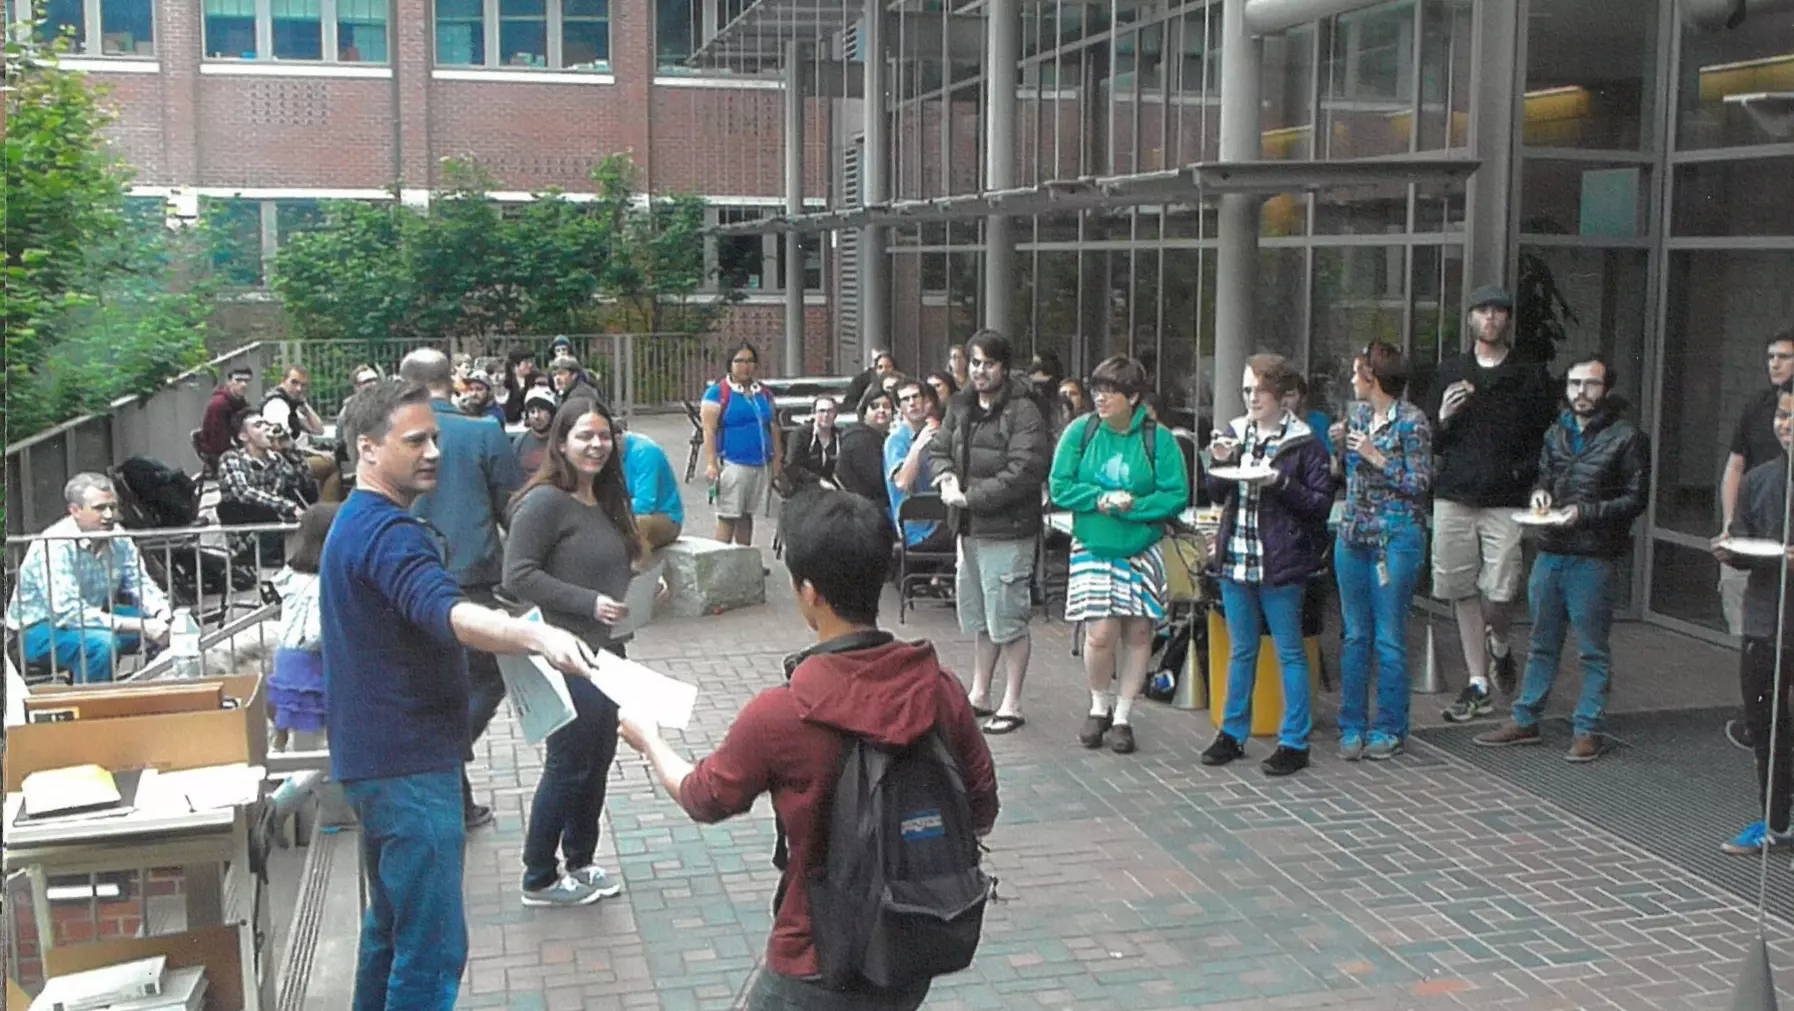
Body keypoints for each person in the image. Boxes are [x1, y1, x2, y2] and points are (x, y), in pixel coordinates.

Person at [616, 489, 999, 1011]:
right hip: (915, 941)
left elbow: (703, 796)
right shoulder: (941, 688)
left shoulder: (782, 712)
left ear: (810, 592)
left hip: (815, 956)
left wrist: (651, 741)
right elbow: (981, 808)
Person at [323, 378, 598, 1011]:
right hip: (409, 767)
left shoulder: (358, 522)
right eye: (414, 440)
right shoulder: (390, 534)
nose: (433, 453)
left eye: (435, 438)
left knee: (390, 933)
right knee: (431, 950)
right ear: (367, 448)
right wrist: (536, 639)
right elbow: (447, 611)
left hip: (381, 761)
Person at [1473, 357, 1649, 762]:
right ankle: (1526, 718)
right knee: (1541, 642)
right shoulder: (1557, 433)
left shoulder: (1627, 437)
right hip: (1552, 549)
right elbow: (1546, 477)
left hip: (1593, 554)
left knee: (1592, 648)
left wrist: (1584, 513)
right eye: (1574, 384)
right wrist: (1541, 496)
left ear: (1606, 388)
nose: (1581, 393)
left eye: (1590, 384)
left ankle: (1588, 728)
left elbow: (1635, 498)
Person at [503, 397, 643, 906]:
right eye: (584, 435)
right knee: (569, 762)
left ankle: (580, 861)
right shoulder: (544, 503)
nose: (596, 445)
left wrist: (643, 593)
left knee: (599, 756)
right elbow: (516, 575)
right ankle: (538, 875)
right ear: (560, 443)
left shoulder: (605, 500)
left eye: (604, 436)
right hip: (565, 654)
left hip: (609, 655)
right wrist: (588, 602)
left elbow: (608, 567)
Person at [400, 348, 527, 831]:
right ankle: (446, 759)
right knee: (487, 678)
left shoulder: (392, 435)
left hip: (408, 579)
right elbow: (514, 509)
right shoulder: (482, 432)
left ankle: (452, 784)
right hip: (470, 578)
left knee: (431, 685)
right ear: (451, 380)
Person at [1422, 284, 1557, 723]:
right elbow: (1431, 439)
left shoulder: (1530, 374)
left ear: (1508, 321)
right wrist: (1443, 415)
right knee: (1460, 588)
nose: (1491, 319)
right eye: (1483, 311)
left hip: (1506, 499)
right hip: (1454, 494)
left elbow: (1545, 439)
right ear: (1471, 320)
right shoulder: (1450, 371)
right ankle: (1477, 682)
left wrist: (1533, 480)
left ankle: (1499, 643)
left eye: (1499, 312)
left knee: (1501, 590)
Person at [1200, 353, 1336, 777]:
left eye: (1259, 390)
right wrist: (1219, 462)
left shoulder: (1305, 442)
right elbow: (1217, 495)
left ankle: (1294, 741)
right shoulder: (1236, 432)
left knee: (1289, 651)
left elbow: (1319, 505)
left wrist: (1280, 482)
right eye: (1246, 390)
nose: (1251, 398)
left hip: (1282, 560)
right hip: (1237, 556)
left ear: (1281, 393)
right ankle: (1232, 733)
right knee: (1242, 648)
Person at [1048, 355, 1191, 755]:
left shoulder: (1158, 438)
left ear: (1133, 396)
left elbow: (1176, 494)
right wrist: (1100, 499)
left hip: (1141, 548)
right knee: (1100, 634)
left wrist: (1136, 508)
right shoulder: (1081, 431)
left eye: (1110, 391)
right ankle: (1099, 705)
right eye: (1097, 390)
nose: (1100, 398)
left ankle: (1125, 715)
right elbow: (1059, 486)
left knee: (1140, 631)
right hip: (1094, 545)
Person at [928, 330, 1052, 735]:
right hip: (969, 530)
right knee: (982, 618)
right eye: (975, 362)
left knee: (1009, 619)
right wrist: (945, 477)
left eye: (988, 363)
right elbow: (939, 447)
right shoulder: (960, 404)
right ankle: (979, 694)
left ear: (1004, 366)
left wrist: (972, 497)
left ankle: (1012, 702)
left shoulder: (1024, 410)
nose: (980, 371)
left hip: (1008, 530)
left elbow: (1025, 471)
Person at [1328, 342, 1432, 761]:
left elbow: (1419, 482)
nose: (1352, 380)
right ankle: (1351, 725)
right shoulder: (1357, 415)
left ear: (1375, 378)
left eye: (1358, 373)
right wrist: (1339, 447)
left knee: (1388, 636)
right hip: (1353, 534)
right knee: (1354, 634)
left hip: (1396, 538)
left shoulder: (1412, 422)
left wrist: (1377, 456)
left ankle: (1389, 727)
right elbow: (1345, 475)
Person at [1714, 388, 1794, 856]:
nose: (1786, 425)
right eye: (1783, 416)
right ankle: (1776, 820)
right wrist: (1730, 548)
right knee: (1765, 724)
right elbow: (1743, 538)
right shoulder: (1760, 479)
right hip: (1765, 623)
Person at [5, 473, 173, 683]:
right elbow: (69, 613)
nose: (109, 515)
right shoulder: (55, 545)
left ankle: (143, 695)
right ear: (75, 511)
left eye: (113, 506)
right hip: (37, 629)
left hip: (91, 615)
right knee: (102, 645)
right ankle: (91, 710)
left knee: (169, 628)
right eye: (100, 508)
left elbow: (139, 582)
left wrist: (161, 611)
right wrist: (141, 626)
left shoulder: (118, 536)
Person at [1719, 330, 1794, 750]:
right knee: (1760, 674)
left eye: (1784, 356)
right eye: (1770, 356)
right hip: (1766, 579)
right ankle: (1774, 812)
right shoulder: (1757, 408)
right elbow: (1735, 467)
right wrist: (1733, 529)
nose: (1775, 364)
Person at [269, 503, 338, 752]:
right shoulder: (321, 585)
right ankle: (294, 791)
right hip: (310, 664)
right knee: (311, 747)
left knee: (293, 735)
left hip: (286, 659)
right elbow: (315, 633)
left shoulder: (292, 577)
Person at [701, 342, 782, 547]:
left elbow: (773, 425)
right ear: (730, 363)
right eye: (739, 361)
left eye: (749, 361)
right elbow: (709, 430)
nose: (745, 366)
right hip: (733, 464)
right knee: (728, 516)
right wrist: (711, 463)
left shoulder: (763, 393)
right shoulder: (718, 393)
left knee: (746, 516)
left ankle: (745, 563)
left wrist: (778, 459)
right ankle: (719, 566)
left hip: (760, 464)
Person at [219, 409, 315, 565]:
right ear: (243, 436)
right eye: (258, 425)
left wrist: (289, 447)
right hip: (248, 540)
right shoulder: (231, 459)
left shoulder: (276, 459)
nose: (266, 428)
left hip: (279, 534)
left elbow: (303, 482)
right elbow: (243, 492)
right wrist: (288, 507)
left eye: (266, 423)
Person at [886, 379, 955, 553]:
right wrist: (919, 444)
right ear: (899, 407)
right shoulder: (895, 441)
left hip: (943, 522)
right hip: (917, 533)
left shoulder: (938, 434)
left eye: (916, 397)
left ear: (925, 402)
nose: (912, 403)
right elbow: (902, 483)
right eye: (905, 399)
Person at [261, 366, 342, 502]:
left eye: (303, 385)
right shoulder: (277, 405)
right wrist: (315, 453)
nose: (299, 389)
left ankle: (319, 505)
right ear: (283, 380)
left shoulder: (292, 405)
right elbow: (280, 444)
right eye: (294, 382)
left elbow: (318, 429)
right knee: (333, 466)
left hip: (297, 456)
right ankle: (325, 512)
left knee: (333, 459)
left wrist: (305, 406)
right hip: (286, 463)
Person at [623, 429, 685, 553]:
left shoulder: (644, 451)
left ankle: (638, 569)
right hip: (623, 511)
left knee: (638, 523)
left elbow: (644, 504)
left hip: (663, 516)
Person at [835, 388, 894, 516]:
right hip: (864, 513)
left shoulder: (880, 436)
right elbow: (877, 482)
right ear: (864, 412)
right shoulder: (860, 439)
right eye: (874, 406)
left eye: (886, 406)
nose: (881, 410)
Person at [783, 395, 843, 493]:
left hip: (833, 490)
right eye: (821, 411)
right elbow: (792, 467)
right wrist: (818, 481)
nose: (826, 415)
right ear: (814, 413)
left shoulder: (841, 436)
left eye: (830, 411)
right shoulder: (800, 435)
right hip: (804, 489)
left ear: (835, 414)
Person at [198, 366, 253, 463]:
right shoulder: (218, 404)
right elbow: (216, 441)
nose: (243, 384)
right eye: (238, 380)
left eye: (247, 381)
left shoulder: (242, 403)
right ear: (229, 382)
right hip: (219, 454)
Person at [1283, 374, 1334, 457]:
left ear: (1303, 398)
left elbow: (1330, 459)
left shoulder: (1319, 421)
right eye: (1280, 396)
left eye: (1289, 395)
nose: (1283, 401)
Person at [512, 390, 558, 473]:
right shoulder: (520, 441)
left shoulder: (560, 441)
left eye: (541, 410)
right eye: (532, 411)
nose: (536, 416)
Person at [502, 347, 541, 425]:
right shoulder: (506, 383)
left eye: (531, 361)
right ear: (515, 365)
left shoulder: (537, 379)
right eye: (526, 362)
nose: (530, 365)